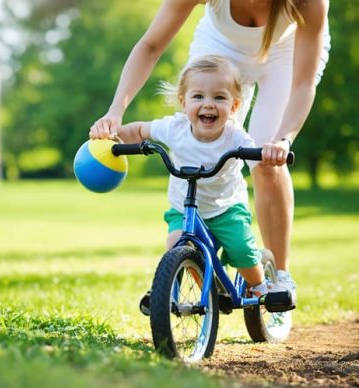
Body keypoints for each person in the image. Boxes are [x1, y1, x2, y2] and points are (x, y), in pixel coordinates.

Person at [90, 0, 330, 322]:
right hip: (221, 46)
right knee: (196, 132)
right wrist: (115, 112)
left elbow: (302, 83)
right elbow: (151, 45)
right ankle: (202, 265)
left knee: (265, 162)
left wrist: (284, 139)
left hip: (288, 56)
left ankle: (278, 278)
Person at [91, 55, 292, 312]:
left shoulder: (236, 138)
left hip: (226, 210)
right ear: (184, 103)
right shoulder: (174, 128)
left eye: (219, 97)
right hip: (183, 209)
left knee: (243, 250)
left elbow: (260, 155)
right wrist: (111, 137)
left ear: (234, 106)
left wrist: (270, 153)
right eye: (198, 97)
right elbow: (138, 131)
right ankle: (167, 295)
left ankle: (262, 288)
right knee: (176, 245)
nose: (208, 104)